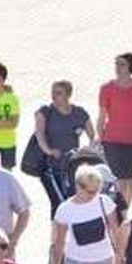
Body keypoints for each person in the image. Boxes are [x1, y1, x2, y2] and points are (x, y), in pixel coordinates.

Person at [52, 164, 122, 264]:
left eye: (96, 190)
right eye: (89, 191)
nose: (93, 194)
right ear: (78, 186)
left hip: (102, 262)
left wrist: (120, 258)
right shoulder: (64, 209)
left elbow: (116, 233)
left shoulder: (105, 202)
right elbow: (59, 243)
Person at [34, 80, 96, 217]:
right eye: (53, 93)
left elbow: (92, 135)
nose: (54, 96)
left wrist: (86, 150)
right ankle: (57, 236)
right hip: (50, 167)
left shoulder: (79, 113)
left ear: (69, 94)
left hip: (73, 166)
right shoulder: (45, 112)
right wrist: (49, 151)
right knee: (58, 204)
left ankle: (74, 234)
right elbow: (39, 134)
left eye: (59, 93)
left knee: (75, 201)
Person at [97, 52, 132, 201]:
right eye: (116, 64)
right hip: (112, 140)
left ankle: (125, 210)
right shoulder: (106, 88)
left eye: (122, 64)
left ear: (131, 66)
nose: (118, 67)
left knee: (130, 180)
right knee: (120, 180)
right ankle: (120, 213)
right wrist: (99, 138)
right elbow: (102, 116)